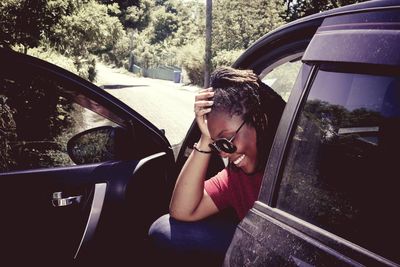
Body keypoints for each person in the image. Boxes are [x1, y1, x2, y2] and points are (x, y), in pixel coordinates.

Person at [148, 67, 285, 266]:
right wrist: (205, 139)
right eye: (217, 144)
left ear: (259, 120)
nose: (222, 152)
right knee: (163, 229)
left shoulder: (298, 169)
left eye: (226, 139)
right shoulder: (235, 177)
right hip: (259, 251)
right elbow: (182, 210)